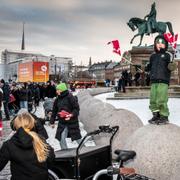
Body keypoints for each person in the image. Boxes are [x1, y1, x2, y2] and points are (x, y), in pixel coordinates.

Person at [0, 112, 55, 180]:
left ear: (16, 125)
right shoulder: (41, 140)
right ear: (32, 123)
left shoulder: (9, 144)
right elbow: (51, 159)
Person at [146, 34, 174, 124]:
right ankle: (156, 114)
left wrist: (172, 66)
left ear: (166, 44)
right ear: (155, 44)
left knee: (161, 99)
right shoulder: (153, 56)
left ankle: (164, 116)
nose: (160, 44)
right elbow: (149, 67)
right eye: (158, 42)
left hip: (163, 80)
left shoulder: (167, 55)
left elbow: (171, 66)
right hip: (154, 80)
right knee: (153, 99)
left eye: (162, 42)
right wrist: (147, 67)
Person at [50, 83, 81, 149]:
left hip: (72, 122)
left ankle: (84, 150)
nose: (56, 91)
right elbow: (54, 111)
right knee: (61, 138)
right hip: (62, 123)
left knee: (77, 138)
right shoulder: (57, 99)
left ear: (62, 90)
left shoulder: (70, 97)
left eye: (58, 90)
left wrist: (71, 115)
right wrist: (52, 122)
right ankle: (65, 152)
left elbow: (77, 109)